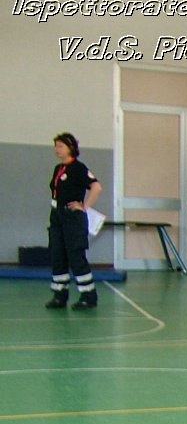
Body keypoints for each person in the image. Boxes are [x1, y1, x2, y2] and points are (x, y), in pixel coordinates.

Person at [46, 133, 102, 310]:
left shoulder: (79, 168)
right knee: (58, 255)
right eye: (56, 146)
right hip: (57, 216)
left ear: (71, 148)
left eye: (60, 146)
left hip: (72, 218)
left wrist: (84, 206)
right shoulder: (58, 168)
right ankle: (60, 295)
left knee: (76, 256)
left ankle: (88, 296)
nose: (57, 150)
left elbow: (96, 187)